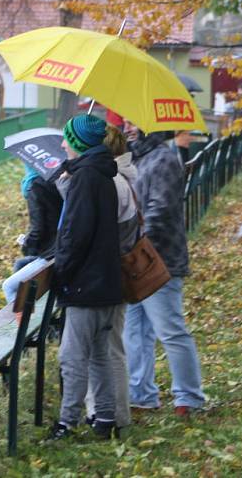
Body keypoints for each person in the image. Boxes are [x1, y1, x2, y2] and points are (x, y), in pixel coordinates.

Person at [122, 121, 205, 417]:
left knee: (170, 330)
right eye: (125, 122)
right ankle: (140, 393)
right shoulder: (134, 159)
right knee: (134, 331)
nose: (127, 127)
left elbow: (161, 209)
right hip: (134, 258)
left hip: (160, 260)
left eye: (133, 122)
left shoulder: (164, 159)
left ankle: (189, 397)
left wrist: (134, 239)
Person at [50, 114, 122, 441]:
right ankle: (105, 418)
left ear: (78, 143)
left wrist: (61, 273)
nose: (63, 144)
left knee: (73, 357)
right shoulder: (102, 175)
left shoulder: (86, 178)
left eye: (67, 139)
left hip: (86, 283)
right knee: (99, 355)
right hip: (107, 281)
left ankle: (67, 423)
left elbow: (75, 235)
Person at [84, 125, 138, 431]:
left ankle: (113, 414)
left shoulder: (113, 183)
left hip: (108, 274)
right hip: (114, 273)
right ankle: (110, 412)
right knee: (109, 346)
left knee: (109, 348)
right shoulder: (123, 177)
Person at [1, 165, 63, 304]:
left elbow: (38, 230)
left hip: (52, 254)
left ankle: (22, 324)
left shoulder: (35, 187)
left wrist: (26, 245)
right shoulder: (59, 180)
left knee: (8, 287)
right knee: (20, 264)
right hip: (60, 248)